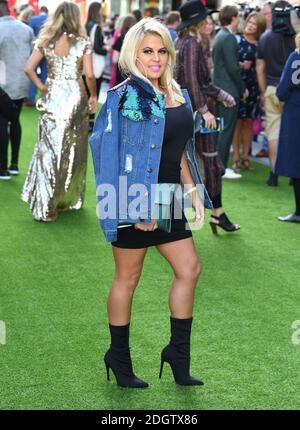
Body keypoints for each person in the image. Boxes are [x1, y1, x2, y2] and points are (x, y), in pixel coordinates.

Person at [90, 17, 212, 388]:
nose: (156, 58)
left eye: (161, 51)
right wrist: (135, 207)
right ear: (133, 54)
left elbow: (180, 151)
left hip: (169, 198)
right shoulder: (122, 97)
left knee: (189, 269)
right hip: (132, 199)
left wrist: (193, 191)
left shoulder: (177, 93)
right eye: (147, 51)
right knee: (128, 276)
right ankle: (119, 358)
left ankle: (177, 354)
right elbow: (107, 157)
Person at [22, 1, 97, 221]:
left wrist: (42, 86)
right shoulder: (83, 43)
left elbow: (28, 68)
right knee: (72, 149)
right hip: (75, 96)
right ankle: (60, 201)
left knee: (48, 149)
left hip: (52, 96)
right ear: (76, 18)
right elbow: (90, 75)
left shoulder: (46, 40)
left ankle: (50, 202)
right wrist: (93, 96)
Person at [175, 0, 240, 234]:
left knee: (196, 164)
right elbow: (192, 81)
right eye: (207, 18)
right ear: (198, 22)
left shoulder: (184, 41)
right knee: (209, 164)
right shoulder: (191, 43)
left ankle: (216, 213)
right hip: (193, 113)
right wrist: (204, 110)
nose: (211, 22)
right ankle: (216, 214)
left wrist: (221, 94)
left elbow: (199, 82)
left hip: (186, 110)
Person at [256, 0, 295, 186]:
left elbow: (260, 68)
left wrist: (264, 91)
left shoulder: (264, 38)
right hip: (295, 91)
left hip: (272, 88)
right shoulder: (296, 36)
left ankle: (273, 174)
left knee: (273, 132)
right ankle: (294, 175)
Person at [212, 5, 248, 180]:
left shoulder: (220, 36)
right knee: (225, 131)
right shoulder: (228, 38)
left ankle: (218, 166)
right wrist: (242, 89)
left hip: (220, 89)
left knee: (221, 130)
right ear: (233, 17)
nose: (239, 19)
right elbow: (233, 68)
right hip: (228, 91)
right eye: (238, 16)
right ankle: (222, 168)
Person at [0, 0, 34, 180]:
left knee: (2, 123)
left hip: (2, 84)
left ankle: (3, 168)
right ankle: (13, 165)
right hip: (21, 83)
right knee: (15, 120)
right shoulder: (26, 29)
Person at [232, 12, 266, 173]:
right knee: (237, 122)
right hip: (238, 86)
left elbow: (263, 69)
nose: (251, 25)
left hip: (254, 87)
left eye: (255, 24)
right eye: (249, 22)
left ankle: (246, 156)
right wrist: (240, 65)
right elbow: (229, 63)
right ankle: (236, 158)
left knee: (249, 123)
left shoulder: (261, 44)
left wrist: (262, 91)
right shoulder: (237, 40)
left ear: (259, 28)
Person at [274, 33, 300, 223]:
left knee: (296, 162)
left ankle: (299, 212)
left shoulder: (295, 57)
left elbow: (282, 90)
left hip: (295, 114)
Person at [27, 6, 49, 106]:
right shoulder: (51, 19)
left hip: (36, 50)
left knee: (32, 73)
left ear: (40, 11)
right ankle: (44, 98)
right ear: (47, 11)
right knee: (45, 74)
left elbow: (29, 34)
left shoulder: (33, 19)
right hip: (48, 49)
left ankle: (31, 98)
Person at [112, 15, 136, 86]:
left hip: (121, 74)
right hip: (134, 73)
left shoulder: (120, 39)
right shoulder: (137, 40)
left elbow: (114, 59)